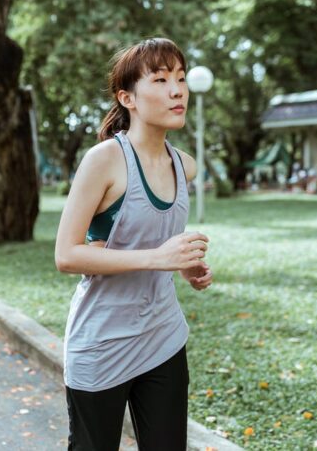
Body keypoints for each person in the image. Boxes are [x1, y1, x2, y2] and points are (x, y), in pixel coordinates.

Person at [54, 38, 213, 450]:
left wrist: (182, 264)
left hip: (162, 335)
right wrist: (159, 257)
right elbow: (67, 255)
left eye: (180, 78)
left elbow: (152, 242)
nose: (177, 90)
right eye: (160, 80)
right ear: (128, 98)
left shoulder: (185, 166)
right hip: (102, 339)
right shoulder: (104, 160)